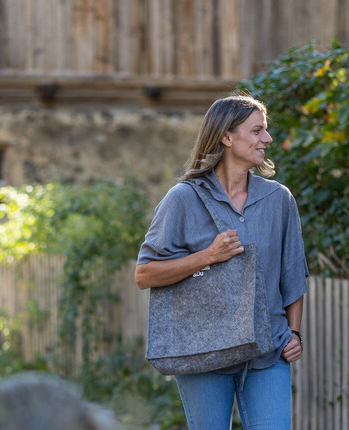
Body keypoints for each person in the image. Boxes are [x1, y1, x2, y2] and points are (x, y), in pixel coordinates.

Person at [134, 94, 308, 430]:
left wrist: (295, 333)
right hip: (204, 352)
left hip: (267, 348)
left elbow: (294, 273)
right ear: (227, 137)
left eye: (266, 131)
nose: (267, 139)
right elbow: (144, 274)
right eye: (257, 131)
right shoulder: (184, 198)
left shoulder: (278, 199)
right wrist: (208, 256)